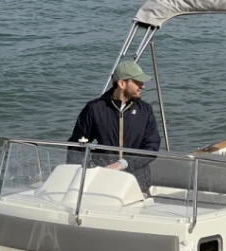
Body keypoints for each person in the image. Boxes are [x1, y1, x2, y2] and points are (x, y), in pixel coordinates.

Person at [67, 60, 161, 193]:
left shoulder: (145, 110)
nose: (142, 86)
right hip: (102, 182)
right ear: (122, 83)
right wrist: (87, 171)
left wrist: (123, 163)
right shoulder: (94, 109)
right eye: (137, 82)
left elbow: (152, 147)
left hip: (137, 184)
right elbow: (76, 147)